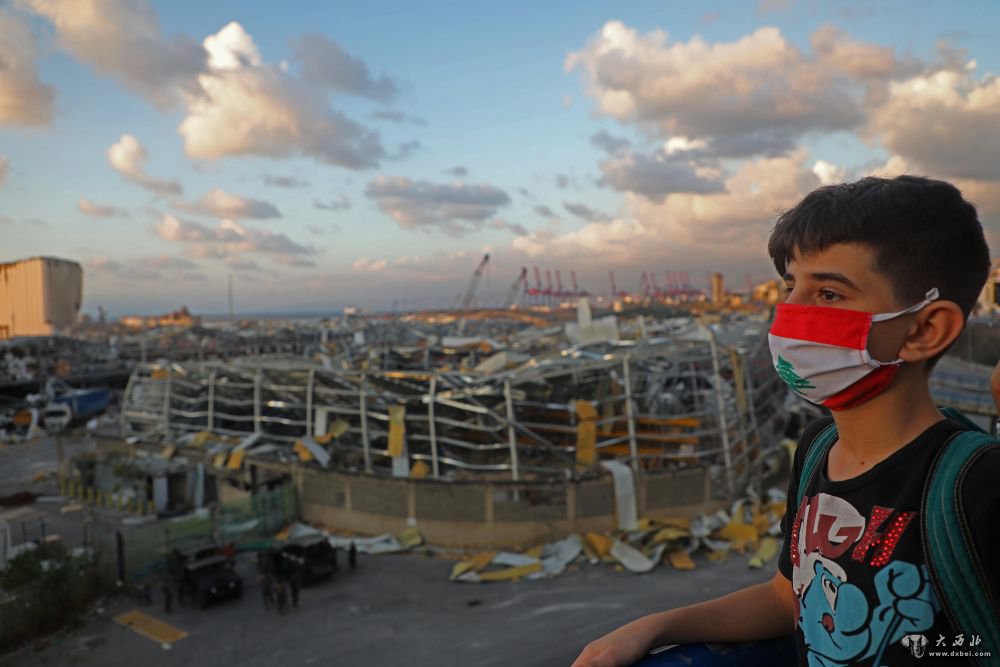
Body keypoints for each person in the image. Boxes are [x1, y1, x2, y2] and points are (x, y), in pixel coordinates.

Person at [572, 175, 1000, 667]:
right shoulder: (818, 447)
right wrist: (655, 627)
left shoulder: (977, 484)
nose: (790, 312)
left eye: (829, 295)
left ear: (925, 329)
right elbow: (787, 596)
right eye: (791, 286)